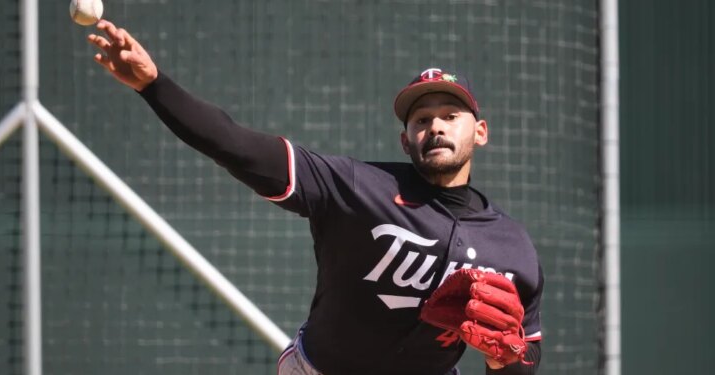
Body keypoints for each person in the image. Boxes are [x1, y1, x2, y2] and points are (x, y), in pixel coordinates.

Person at [88, 19, 543, 375]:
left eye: (450, 115)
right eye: (421, 119)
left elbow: (526, 359)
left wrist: (505, 360)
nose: (436, 126)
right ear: (406, 141)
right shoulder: (356, 186)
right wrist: (154, 85)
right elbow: (235, 144)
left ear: (479, 132)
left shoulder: (513, 248)